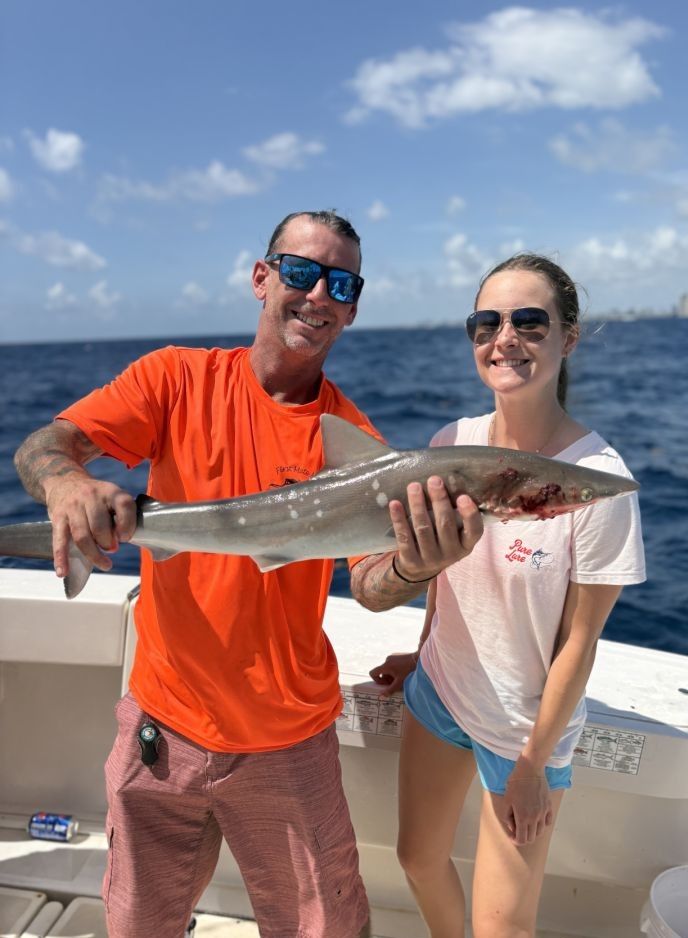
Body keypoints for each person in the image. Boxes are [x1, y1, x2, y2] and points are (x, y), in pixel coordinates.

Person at [13, 210, 483, 938]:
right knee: (137, 926)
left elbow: (369, 583)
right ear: (262, 278)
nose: (318, 294)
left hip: (289, 740)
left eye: (341, 283)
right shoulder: (175, 378)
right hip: (162, 730)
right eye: (300, 271)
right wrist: (67, 486)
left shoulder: (355, 444)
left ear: (354, 308)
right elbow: (47, 444)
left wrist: (417, 567)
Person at [364, 253, 646, 937]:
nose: (504, 338)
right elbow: (446, 577)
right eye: (486, 322)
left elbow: (579, 645)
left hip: (523, 732)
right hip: (440, 690)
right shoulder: (449, 443)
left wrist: (533, 765)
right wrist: (422, 651)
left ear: (567, 338)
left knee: (505, 929)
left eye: (529, 321)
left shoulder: (597, 483)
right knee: (417, 859)